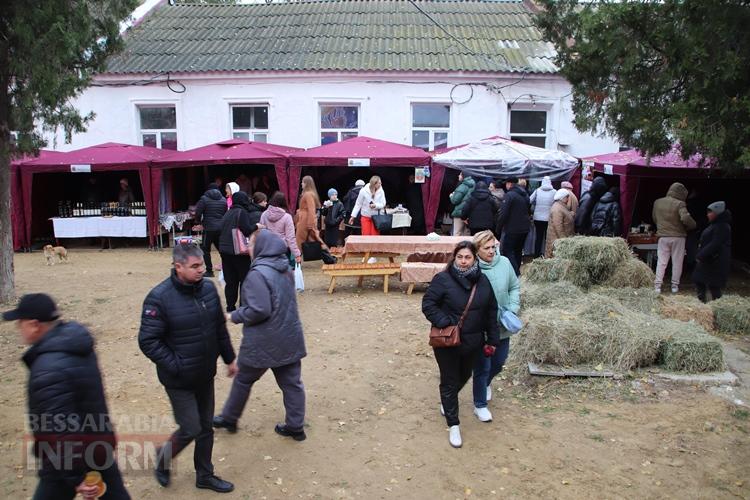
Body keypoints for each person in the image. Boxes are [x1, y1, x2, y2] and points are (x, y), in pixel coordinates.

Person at [3, 294, 130, 500]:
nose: (18, 327)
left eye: (21, 322)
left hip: (66, 460)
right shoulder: (75, 346)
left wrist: (75, 476)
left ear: (35, 325)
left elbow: (58, 429)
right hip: (98, 445)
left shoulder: (47, 369)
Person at [138, 243, 237, 493]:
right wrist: (176, 365)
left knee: (205, 429)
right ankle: (163, 458)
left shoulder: (208, 289)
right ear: (178, 266)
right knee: (191, 427)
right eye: (194, 266)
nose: (201, 270)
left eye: (202, 264)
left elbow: (219, 328)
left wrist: (229, 358)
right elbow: (148, 341)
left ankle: (205, 475)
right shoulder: (158, 297)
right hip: (178, 379)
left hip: (205, 374)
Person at [213, 230, 307, 441]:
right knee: (292, 383)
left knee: (243, 379)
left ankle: (229, 417)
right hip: (289, 336)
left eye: (251, 244)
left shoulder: (257, 274)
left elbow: (259, 309)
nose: (248, 248)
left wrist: (234, 315)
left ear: (263, 247)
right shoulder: (285, 269)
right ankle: (296, 426)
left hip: (263, 341)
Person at [422, 241, 500, 448]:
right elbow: (428, 304)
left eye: (468, 257)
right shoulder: (443, 279)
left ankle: (447, 402)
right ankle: (453, 424)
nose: (464, 262)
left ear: (475, 258)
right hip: (447, 341)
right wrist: (443, 321)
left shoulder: (483, 282)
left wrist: (492, 339)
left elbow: (491, 312)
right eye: (460, 257)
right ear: (454, 258)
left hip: (473, 342)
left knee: (464, 375)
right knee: (449, 380)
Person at [471, 231, 520, 422]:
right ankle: (480, 405)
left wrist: (513, 307)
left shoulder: (505, 263)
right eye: (487, 248)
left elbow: (514, 287)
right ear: (477, 250)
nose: (492, 251)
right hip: (482, 328)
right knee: (482, 367)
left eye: (494, 247)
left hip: (503, 324)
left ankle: (486, 383)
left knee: (499, 362)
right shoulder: (473, 268)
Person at [219, 191, 262, 312]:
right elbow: (247, 230)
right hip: (238, 251)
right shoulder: (241, 212)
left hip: (225, 251)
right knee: (244, 279)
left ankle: (230, 307)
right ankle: (243, 305)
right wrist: (257, 226)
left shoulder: (228, 213)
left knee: (230, 281)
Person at [652, 182, 697, 293]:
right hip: (678, 237)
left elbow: (654, 218)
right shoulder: (680, 204)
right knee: (677, 262)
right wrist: (693, 226)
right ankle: (674, 286)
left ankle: (657, 286)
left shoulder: (657, 202)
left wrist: (661, 227)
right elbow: (685, 219)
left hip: (663, 236)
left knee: (661, 262)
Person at [693, 202, 732, 303]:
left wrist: (701, 255)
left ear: (717, 213)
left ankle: (717, 307)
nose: (707, 214)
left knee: (714, 286)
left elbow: (715, 244)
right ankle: (702, 304)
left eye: (710, 212)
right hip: (708, 260)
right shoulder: (714, 225)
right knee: (699, 281)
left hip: (716, 261)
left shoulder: (723, 226)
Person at [495, 177, 530, 276]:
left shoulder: (509, 195)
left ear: (509, 184)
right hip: (524, 228)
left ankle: (516, 274)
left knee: (508, 251)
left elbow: (503, 213)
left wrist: (498, 228)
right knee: (518, 251)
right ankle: (516, 272)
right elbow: (528, 210)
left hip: (512, 228)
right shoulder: (525, 194)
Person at [194, 183, 228, 277]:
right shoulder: (223, 199)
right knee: (222, 249)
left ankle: (209, 271)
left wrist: (198, 222)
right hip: (220, 228)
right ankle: (227, 268)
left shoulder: (204, 199)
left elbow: (198, 212)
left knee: (205, 249)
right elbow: (225, 213)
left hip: (208, 228)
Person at [260, 191, 301, 265]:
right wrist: (297, 254)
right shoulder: (287, 217)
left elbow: (261, 233)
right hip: (282, 249)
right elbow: (290, 238)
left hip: (267, 248)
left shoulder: (264, 215)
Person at [296, 175, 328, 252]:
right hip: (305, 218)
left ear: (306, 183)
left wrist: (310, 223)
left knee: (300, 240)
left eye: (303, 182)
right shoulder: (309, 193)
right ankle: (325, 253)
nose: (301, 184)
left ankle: (298, 258)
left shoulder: (308, 194)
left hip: (305, 219)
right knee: (312, 239)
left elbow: (311, 209)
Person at [529, 176, 556, 257]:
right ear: (550, 182)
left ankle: (536, 255)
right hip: (548, 218)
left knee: (539, 237)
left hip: (537, 218)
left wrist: (535, 204)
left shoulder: (537, 191)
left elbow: (530, 200)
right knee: (547, 238)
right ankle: (547, 254)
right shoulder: (554, 192)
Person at [545, 189, 575, 257]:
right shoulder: (557, 209)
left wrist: (570, 214)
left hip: (559, 240)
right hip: (556, 241)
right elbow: (558, 226)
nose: (568, 199)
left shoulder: (561, 206)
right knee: (553, 259)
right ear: (562, 197)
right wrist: (563, 241)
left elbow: (564, 216)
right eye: (567, 197)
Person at [449, 171, 475, 236]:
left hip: (459, 213)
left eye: (460, 175)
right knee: (467, 233)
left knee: (457, 233)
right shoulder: (474, 185)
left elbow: (455, 200)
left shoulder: (463, 186)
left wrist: (451, 196)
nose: (458, 176)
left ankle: (456, 246)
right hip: (469, 213)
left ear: (463, 176)